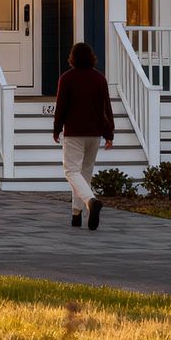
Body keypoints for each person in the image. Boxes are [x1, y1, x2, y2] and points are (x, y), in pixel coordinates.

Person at [52, 42, 114, 231]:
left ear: (72, 58)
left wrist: (56, 128)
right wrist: (109, 133)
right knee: (85, 173)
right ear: (91, 57)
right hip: (94, 133)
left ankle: (90, 201)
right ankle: (76, 214)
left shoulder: (67, 78)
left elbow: (61, 106)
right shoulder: (99, 78)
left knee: (71, 171)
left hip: (74, 132)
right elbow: (106, 107)